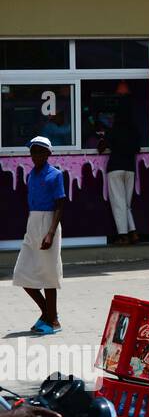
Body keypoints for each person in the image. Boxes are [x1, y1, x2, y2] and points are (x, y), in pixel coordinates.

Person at [12, 137, 66, 336]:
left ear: (49, 154)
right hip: (33, 223)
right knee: (22, 273)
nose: (36, 156)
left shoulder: (56, 175)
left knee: (48, 274)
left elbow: (60, 204)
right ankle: (48, 313)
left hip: (48, 223)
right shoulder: (31, 175)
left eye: (40, 152)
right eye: (33, 152)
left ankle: (53, 320)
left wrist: (50, 233)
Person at [97, 97, 141, 245]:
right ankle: (133, 232)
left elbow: (101, 148)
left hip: (115, 168)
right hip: (130, 169)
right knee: (126, 204)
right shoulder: (134, 130)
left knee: (118, 203)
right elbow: (137, 148)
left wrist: (103, 137)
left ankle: (123, 236)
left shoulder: (113, 129)